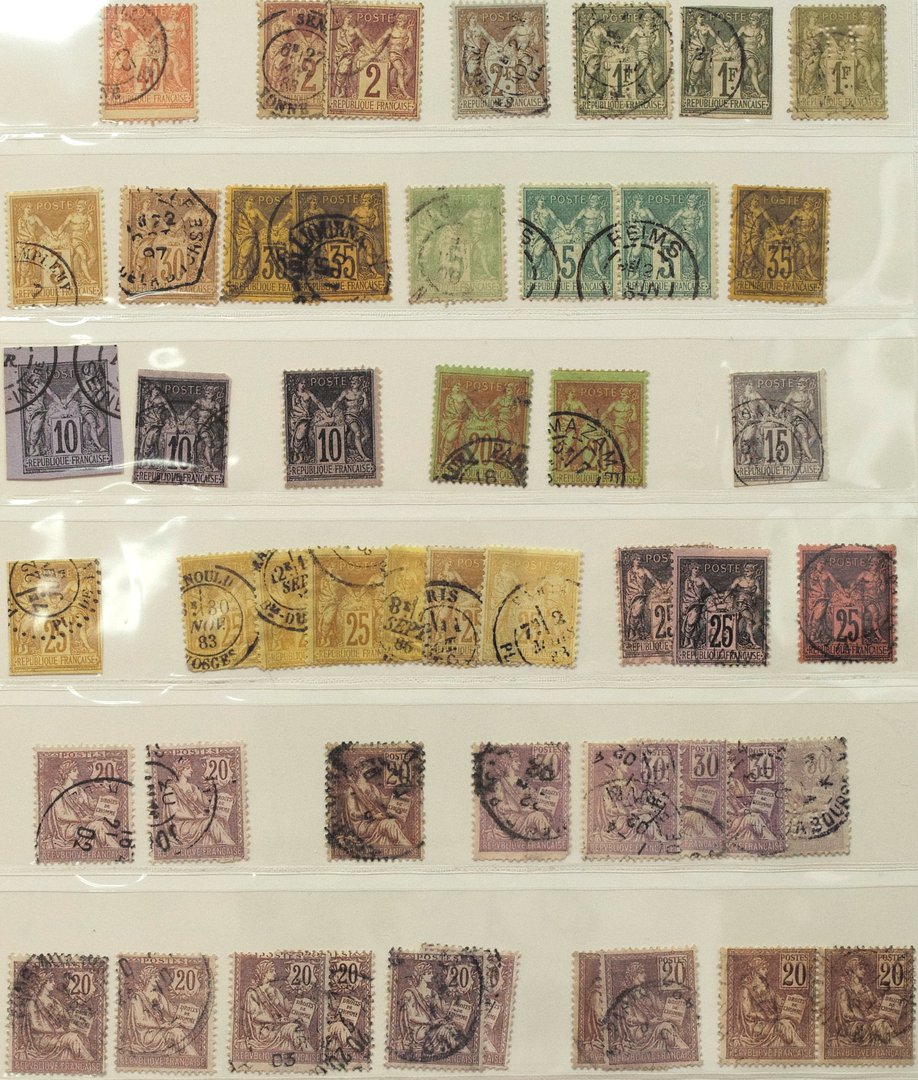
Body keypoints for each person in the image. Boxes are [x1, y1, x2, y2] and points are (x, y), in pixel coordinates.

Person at [609, 962, 689, 1056]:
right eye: (641, 973)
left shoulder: (646, 993)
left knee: (668, 1026)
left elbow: (659, 1006)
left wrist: (674, 1002)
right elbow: (629, 1019)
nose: (645, 975)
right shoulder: (625, 996)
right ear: (634, 975)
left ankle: (680, 1053)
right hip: (639, 1031)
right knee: (666, 1027)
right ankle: (684, 1053)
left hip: (652, 1024)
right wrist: (649, 1022)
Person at [44, 760, 120, 852]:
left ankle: (113, 849)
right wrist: (81, 819)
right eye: (74, 770)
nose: (78, 772)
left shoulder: (78, 790)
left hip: (81, 824)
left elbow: (91, 804)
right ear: (67, 773)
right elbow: (60, 816)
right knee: (97, 825)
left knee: (100, 823)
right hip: (68, 830)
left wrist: (108, 802)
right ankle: (117, 849)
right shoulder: (56, 792)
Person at [338, 760, 411, 855]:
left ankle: (406, 849)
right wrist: (371, 816)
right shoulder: (351, 790)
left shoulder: (372, 788)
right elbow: (353, 814)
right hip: (363, 826)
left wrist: (399, 797)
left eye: (371, 770)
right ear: (358, 771)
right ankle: (409, 849)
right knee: (389, 824)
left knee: (394, 822)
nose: (370, 773)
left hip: (376, 820)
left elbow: (384, 800)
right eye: (367, 769)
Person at [163, 757, 236, 849]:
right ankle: (232, 847)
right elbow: (174, 814)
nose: (191, 770)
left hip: (196, 822)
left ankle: (222, 850)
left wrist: (225, 798)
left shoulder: (193, 787)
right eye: (188, 768)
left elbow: (207, 803)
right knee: (212, 823)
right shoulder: (171, 790)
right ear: (180, 770)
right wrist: (196, 816)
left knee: (220, 821)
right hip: (182, 826)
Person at [830, 954, 901, 1048]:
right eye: (860, 968)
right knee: (880, 1024)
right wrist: (866, 1018)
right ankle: (899, 1048)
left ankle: (898, 1048)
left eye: (864, 968)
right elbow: (846, 1014)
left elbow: (875, 1004)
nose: (864, 971)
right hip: (853, 1026)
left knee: (882, 1022)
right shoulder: (844, 989)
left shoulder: (865, 988)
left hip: (868, 1021)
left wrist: (886, 1004)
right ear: (852, 971)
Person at [241, 960, 312, 1053]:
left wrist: (300, 1002)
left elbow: (286, 1007)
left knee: (299, 1028)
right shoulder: (252, 993)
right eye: (271, 971)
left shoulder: (274, 991)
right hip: (264, 1031)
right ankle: (311, 1054)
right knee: (294, 1029)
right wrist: (276, 1020)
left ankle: (308, 1054)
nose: (275, 973)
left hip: (277, 1026)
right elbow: (255, 1016)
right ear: (264, 973)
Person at [21, 971, 93, 1062]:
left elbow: (66, 1016)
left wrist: (76, 1008)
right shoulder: (32, 1003)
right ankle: (90, 1062)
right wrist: (58, 1030)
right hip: (43, 1039)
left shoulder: (54, 1001)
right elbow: (36, 1026)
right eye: (51, 981)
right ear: (43, 984)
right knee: (72, 1038)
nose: (54, 983)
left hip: (57, 1035)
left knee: (81, 1037)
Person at [735, 956, 806, 1048]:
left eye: (766, 968)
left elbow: (777, 1003)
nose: (766, 971)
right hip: (758, 1026)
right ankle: (802, 1048)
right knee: (784, 1025)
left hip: (771, 1020)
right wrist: (765, 1016)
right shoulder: (746, 989)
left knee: (788, 1023)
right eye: (763, 969)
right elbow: (747, 1014)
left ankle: (801, 1048)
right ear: (756, 970)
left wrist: (790, 1003)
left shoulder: (766, 987)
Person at [124, 966, 190, 1056]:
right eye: (155, 977)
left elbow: (172, 1012)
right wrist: (160, 1025)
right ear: (148, 978)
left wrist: (187, 1014)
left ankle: (189, 1057)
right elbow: (139, 1021)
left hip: (160, 1030)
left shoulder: (158, 995)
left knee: (181, 1031)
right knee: (177, 1033)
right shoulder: (138, 998)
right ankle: (191, 1057)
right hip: (147, 1036)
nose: (158, 979)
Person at [328, 374, 371, 461]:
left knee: (367, 435)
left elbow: (365, 407)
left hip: (359, 416)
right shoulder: (346, 392)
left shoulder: (362, 393)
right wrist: (332, 411)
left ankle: (355, 448)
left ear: (359, 383)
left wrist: (365, 398)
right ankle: (363, 456)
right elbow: (337, 402)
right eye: (352, 381)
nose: (353, 383)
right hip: (349, 416)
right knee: (358, 432)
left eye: (355, 381)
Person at [623, 556, 660, 641]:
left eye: (640, 560)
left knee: (637, 613)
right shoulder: (630, 572)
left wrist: (660, 587)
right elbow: (629, 583)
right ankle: (634, 633)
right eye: (636, 559)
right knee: (633, 613)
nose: (638, 561)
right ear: (633, 561)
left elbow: (653, 580)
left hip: (641, 595)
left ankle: (636, 632)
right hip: (631, 595)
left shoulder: (644, 570)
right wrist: (638, 588)